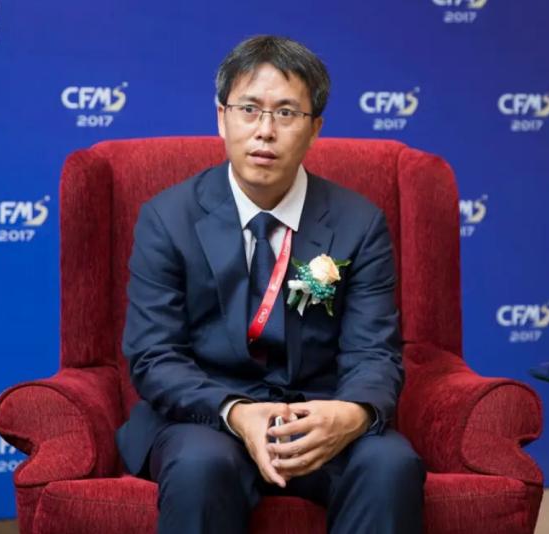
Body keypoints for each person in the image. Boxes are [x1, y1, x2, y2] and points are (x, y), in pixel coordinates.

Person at [115, 35, 424, 534]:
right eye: (249, 109)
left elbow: (373, 351)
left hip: (319, 413)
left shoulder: (358, 223)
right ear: (222, 118)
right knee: (199, 468)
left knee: (390, 465)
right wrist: (236, 413)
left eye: (285, 113)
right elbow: (155, 355)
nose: (265, 131)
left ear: (315, 128)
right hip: (210, 416)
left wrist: (350, 414)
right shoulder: (167, 219)